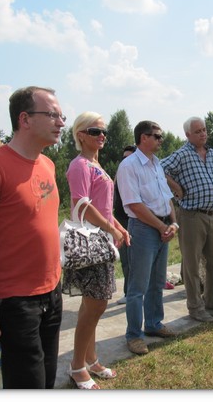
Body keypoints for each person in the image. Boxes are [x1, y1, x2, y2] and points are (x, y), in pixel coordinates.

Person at [0, 86, 65, 388]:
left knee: (45, 381)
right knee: (25, 385)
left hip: (51, 293)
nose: (61, 122)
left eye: (62, 116)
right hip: (14, 302)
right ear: (25, 119)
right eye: (53, 115)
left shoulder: (47, 164)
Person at [63, 112, 130, 389]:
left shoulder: (95, 165)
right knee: (96, 305)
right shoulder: (80, 165)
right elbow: (82, 204)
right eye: (94, 131)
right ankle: (77, 366)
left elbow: (102, 206)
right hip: (91, 242)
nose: (101, 135)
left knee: (92, 305)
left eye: (103, 132)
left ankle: (90, 359)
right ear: (80, 135)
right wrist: (110, 228)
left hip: (102, 240)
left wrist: (118, 226)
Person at [116, 120, 179, 355]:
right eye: (157, 136)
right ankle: (134, 335)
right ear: (144, 137)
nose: (161, 140)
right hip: (143, 229)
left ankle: (153, 324)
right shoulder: (129, 165)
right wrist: (162, 226)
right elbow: (133, 203)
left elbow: (166, 197)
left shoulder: (156, 163)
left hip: (161, 226)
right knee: (137, 287)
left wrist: (172, 223)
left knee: (157, 282)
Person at [161, 116, 213, 323]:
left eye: (204, 130)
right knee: (191, 264)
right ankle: (195, 307)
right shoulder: (182, 155)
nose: (203, 133)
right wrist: (175, 187)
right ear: (188, 135)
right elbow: (159, 168)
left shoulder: (212, 154)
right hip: (191, 215)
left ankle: (212, 300)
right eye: (198, 131)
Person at [113, 145, 137, 305]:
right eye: (124, 158)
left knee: (138, 261)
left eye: (130, 157)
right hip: (121, 222)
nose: (126, 161)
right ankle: (129, 293)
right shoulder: (119, 175)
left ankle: (138, 293)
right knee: (126, 260)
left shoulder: (139, 175)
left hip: (137, 221)